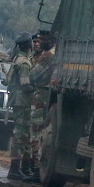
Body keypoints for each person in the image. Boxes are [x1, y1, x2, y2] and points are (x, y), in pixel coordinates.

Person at [5, 32, 36, 181]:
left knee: (26, 135)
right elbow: (25, 85)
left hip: (19, 101)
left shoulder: (19, 59)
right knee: (20, 135)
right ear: (28, 44)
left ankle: (24, 168)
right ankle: (14, 169)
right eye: (32, 41)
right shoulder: (24, 63)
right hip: (22, 101)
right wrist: (38, 88)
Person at [29, 31, 56, 178]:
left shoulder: (48, 56)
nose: (39, 42)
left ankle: (36, 170)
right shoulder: (52, 55)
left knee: (37, 133)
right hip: (44, 97)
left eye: (43, 40)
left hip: (42, 98)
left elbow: (33, 75)